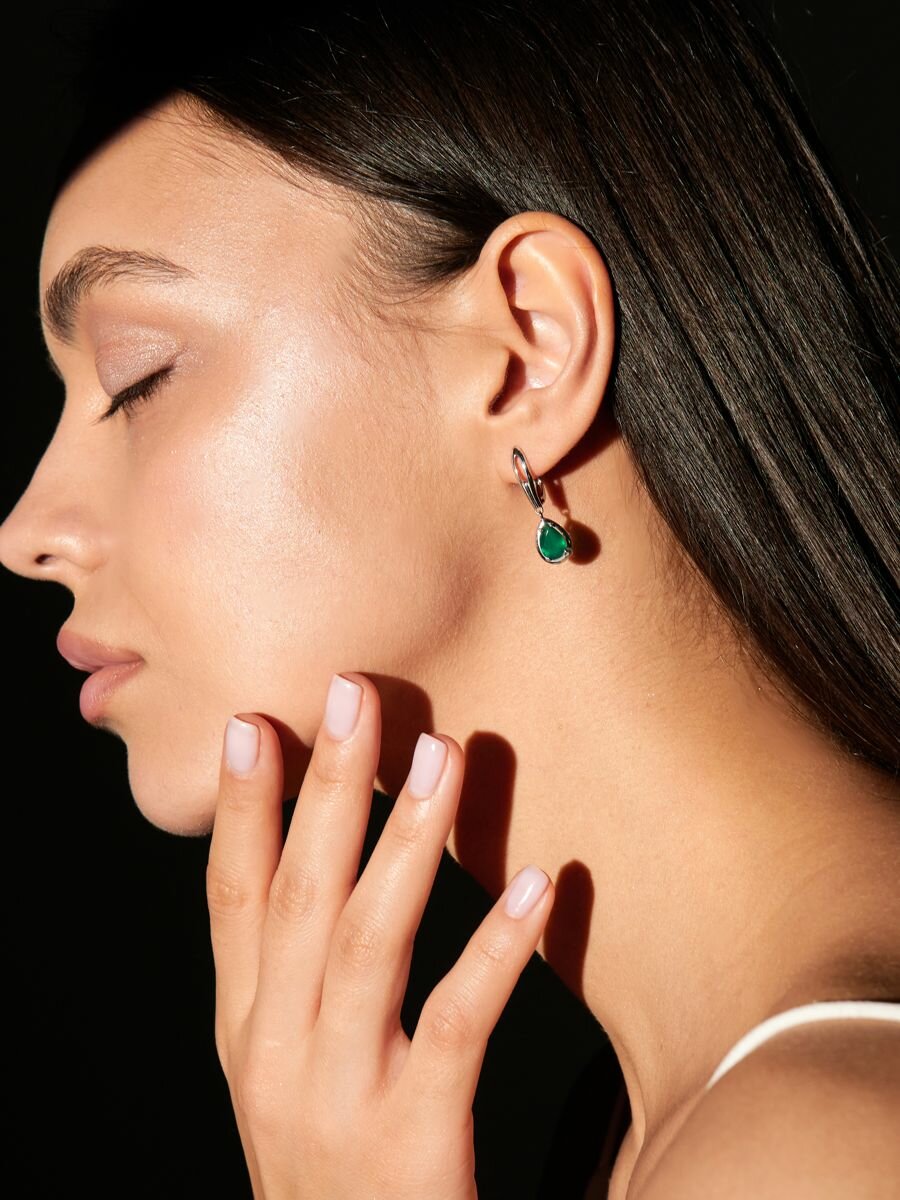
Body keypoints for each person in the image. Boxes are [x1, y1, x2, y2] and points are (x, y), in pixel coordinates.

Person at [2, 0, 898, 1196]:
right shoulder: (657, 1123)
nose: (28, 532)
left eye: (137, 378)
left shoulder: (810, 1150)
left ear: (529, 350)